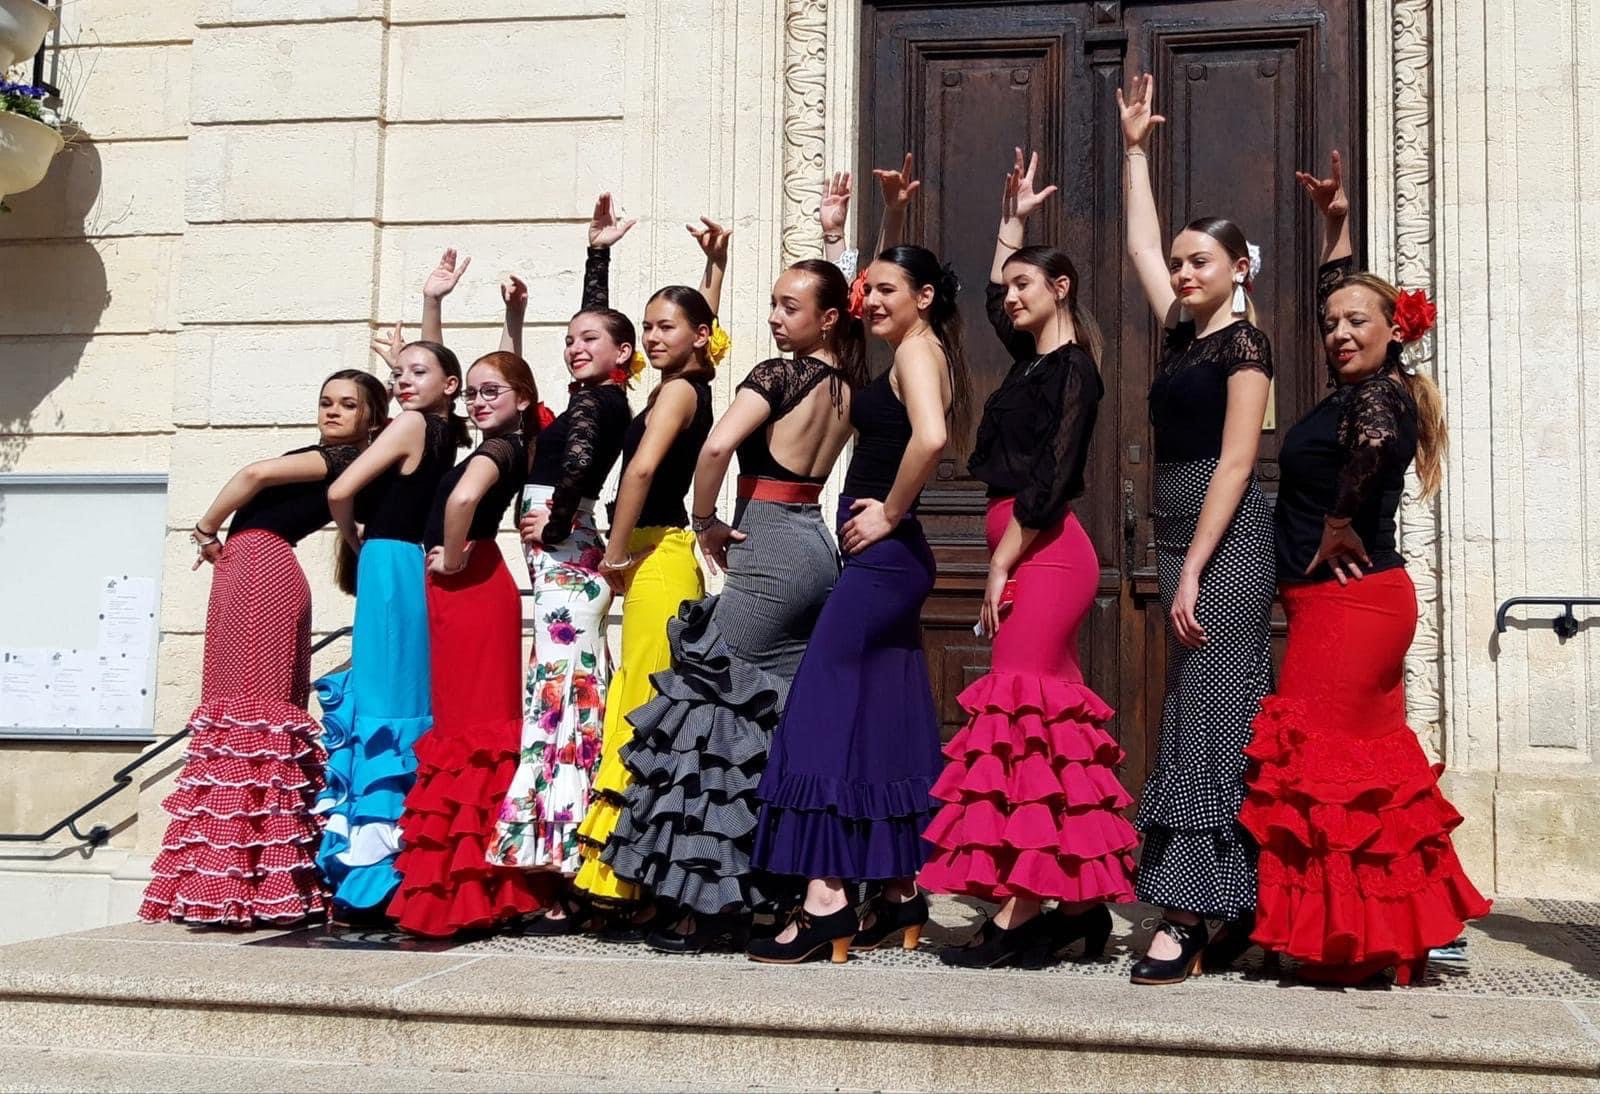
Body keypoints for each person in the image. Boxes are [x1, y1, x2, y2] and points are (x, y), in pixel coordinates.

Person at [1237, 151, 1491, 985]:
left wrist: (1342, 514)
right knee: (1373, 770)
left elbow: (1378, 447)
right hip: (1356, 601)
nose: (1341, 332)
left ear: (1394, 330)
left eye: (1359, 321)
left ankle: (1348, 940)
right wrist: (1335, 224)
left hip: (1350, 601)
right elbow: (1333, 288)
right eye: (1334, 322)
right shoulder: (1360, 385)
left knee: (1327, 767)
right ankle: (1397, 933)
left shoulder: (1380, 395)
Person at [600, 256, 867, 952]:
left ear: (827, 316)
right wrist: (843, 237)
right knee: (773, 718)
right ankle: (787, 881)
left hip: (767, 541)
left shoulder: (777, 376)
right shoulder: (846, 381)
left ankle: (711, 900)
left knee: (711, 710)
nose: (775, 318)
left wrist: (705, 515)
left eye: (788, 307)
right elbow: (852, 288)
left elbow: (718, 443)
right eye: (775, 305)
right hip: (816, 543)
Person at [920, 149, 1138, 968]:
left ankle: (1017, 910)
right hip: (1023, 548)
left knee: (1017, 719)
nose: (1009, 298)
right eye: (1008, 288)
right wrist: (1010, 223)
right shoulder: (1032, 363)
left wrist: (1004, 564)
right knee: (1048, 737)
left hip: (1046, 552)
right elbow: (981, 295)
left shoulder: (1076, 367)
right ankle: (1075, 905)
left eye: (1025, 286)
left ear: (1062, 289)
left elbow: (1052, 484)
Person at [748, 243, 970, 965]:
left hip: (883, 559)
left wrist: (892, 512)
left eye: (886, 290)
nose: (870, 301)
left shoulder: (916, 352)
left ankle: (825, 898)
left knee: (819, 713)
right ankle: (901, 890)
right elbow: (851, 313)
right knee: (883, 716)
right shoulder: (914, 344)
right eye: (867, 289)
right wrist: (850, 231)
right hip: (889, 565)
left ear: (925, 297)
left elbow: (932, 437)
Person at [1118, 73, 1276, 984]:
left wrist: (1191, 571)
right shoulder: (1183, 333)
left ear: (1238, 269)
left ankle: (1186, 913)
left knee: (1209, 718)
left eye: (1199, 263)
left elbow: (1240, 461)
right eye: (1180, 264)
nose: (1181, 272)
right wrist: (1135, 148)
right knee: (1198, 715)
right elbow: (1139, 240)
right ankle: (1225, 901)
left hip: (1227, 539)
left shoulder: (1244, 347)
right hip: (1183, 533)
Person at [140, 370, 389, 925]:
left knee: (252, 710)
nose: (332, 411)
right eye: (325, 401)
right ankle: (248, 877)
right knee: (249, 710)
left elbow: (252, 473)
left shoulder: (343, 460)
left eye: (348, 405)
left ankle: (243, 880)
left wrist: (205, 529)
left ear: (370, 418)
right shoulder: (344, 459)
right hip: (257, 567)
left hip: (259, 567)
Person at [572, 223, 731, 930]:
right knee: (653, 709)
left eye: (667, 326)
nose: (654, 337)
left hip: (654, 554)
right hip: (663, 555)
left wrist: (611, 554)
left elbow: (638, 470)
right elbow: (706, 331)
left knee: (640, 708)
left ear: (696, 335)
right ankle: (638, 875)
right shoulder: (685, 381)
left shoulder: (675, 395)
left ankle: (620, 878)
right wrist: (715, 267)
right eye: (648, 326)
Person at [487, 196, 637, 930]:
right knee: (564, 692)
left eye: (589, 340)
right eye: (570, 338)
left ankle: (570, 859)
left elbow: (580, 458)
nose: (576, 345)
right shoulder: (593, 392)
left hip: (568, 573)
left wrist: (558, 509)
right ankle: (564, 855)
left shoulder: (600, 405)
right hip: (560, 574)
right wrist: (597, 256)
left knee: (565, 697)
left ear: (620, 355)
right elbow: (599, 334)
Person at [386, 351, 553, 936]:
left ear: (521, 400)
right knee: (470, 731)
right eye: (474, 394)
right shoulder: (510, 438)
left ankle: (475, 889)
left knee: (472, 737)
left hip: (472, 585)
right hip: (471, 589)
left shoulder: (500, 448)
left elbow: (460, 501)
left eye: (493, 393)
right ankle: (479, 884)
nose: (479, 402)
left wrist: (454, 554)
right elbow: (502, 377)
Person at [314, 334, 470, 916]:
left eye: (414, 373)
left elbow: (339, 488)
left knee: (382, 699)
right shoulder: (446, 431)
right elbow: (438, 372)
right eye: (398, 373)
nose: (402, 381)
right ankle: (394, 856)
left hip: (387, 557)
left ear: (444, 384)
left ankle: (365, 872)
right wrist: (427, 326)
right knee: (403, 694)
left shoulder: (411, 425)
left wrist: (352, 533)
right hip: (412, 563)